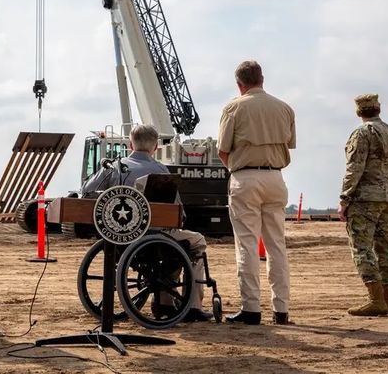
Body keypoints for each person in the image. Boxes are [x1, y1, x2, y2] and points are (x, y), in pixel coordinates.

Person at [82, 124, 214, 323]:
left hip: (120, 238)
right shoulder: (160, 171)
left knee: (173, 245)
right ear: (156, 147)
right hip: (156, 238)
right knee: (195, 242)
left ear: (130, 144)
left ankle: (166, 302)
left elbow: (87, 190)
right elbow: (179, 213)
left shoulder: (114, 167)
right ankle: (185, 304)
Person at [217, 60, 295, 326]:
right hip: (275, 177)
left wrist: (237, 170)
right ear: (262, 78)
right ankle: (281, 309)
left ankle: (251, 307)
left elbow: (223, 150)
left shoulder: (233, 108)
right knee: (276, 246)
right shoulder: (284, 108)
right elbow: (289, 144)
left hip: (245, 177)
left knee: (247, 245)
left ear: (239, 84)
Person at [338, 94, 388, 316]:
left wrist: (344, 198)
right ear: (378, 109)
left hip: (366, 198)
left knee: (361, 247)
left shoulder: (361, 133)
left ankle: (376, 300)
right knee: (384, 246)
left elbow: (354, 168)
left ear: (359, 112)